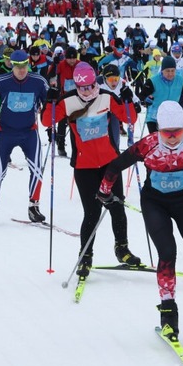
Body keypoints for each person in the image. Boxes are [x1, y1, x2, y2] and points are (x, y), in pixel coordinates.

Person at [97, 101, 183, 340]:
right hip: (155, 204)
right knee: (168, 253)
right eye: (166, 133)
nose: (172, 138)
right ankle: (169, 314)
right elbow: (115, 165)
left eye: (177, 132)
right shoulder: (148, 144)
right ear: (158, 129)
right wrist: (104, 191)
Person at [42, 62, 140, 277]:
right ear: (77, 85)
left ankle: (122, 249)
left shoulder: (106, 97)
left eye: (90, 86)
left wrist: (127, 98)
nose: (87, 91)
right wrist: (49, 100)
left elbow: (130, 119)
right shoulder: (68, 101)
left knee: (117, 207)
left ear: (96, 82)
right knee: (92, 213)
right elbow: (46, 121)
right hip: (84, 166)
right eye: (82, 88)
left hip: (110, 163)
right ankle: (85, 256)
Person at [0, 50, 49, 223]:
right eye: (17, 67)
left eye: (24, 66)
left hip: (29, 132)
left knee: (37, 169)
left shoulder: (38, 81)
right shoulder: (1, 81)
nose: (21, 70)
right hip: (6, 132)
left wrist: (51, 125)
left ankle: (34, 206)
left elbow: (50, 103)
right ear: (12, 65)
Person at [139, 56, 183, 134]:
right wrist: (145, 99)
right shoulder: (153, 81)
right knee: (157, 143)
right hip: (154, 118)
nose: (170, 74)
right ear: (162, 70)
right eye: (167, 71)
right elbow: (141, 96)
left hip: (172, 118)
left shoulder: (180, 80)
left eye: (173, 71)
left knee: (172, 144)